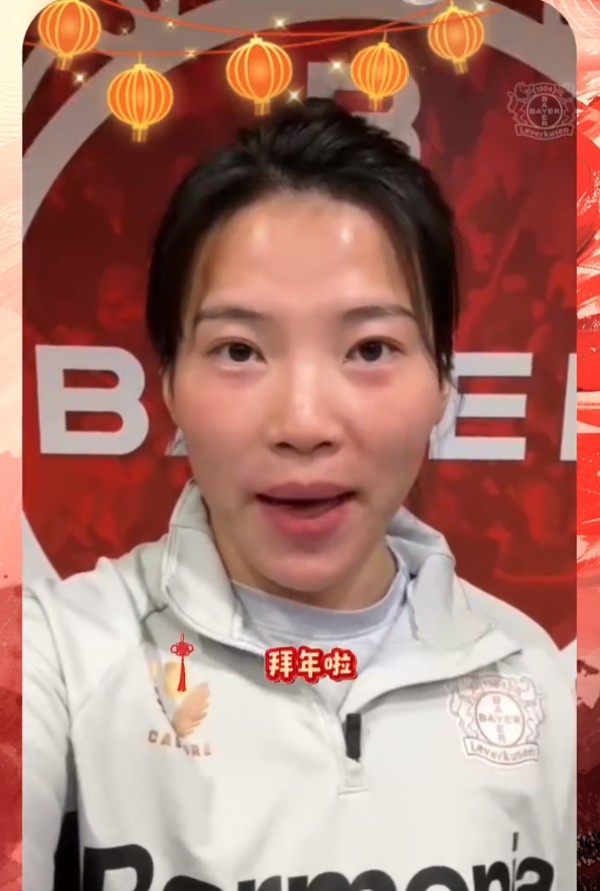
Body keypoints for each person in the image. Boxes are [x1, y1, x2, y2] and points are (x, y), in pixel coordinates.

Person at [24, 98, 575, 891]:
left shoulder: (529, 668)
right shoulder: (59, 655)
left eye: (371, 348)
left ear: (442, 384)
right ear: (169, 385)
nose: (305, 424)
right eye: (239, 349)